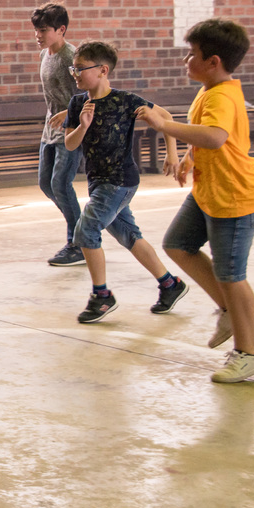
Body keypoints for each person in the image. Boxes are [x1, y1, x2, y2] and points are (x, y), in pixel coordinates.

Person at [135, 19, 254, 383]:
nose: (186, 60)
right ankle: (228, 310)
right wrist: (188, 159)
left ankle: (248, 353)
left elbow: (215, 136)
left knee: (231, 275)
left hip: (235, 198)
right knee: (178, 244)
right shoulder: (210, 90)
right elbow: (207, 138)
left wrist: (163, 126)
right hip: (209, 191)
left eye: (191, 54)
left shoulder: (222, 95)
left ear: (213, 61)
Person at [63, 41, 187, 324]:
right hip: (97, 182)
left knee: (87, 229)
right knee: (128, 236)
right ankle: (170, 284)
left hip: (120, 180)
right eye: (73, 69)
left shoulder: (125, 101)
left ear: (103, 70)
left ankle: (102, 296)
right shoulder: (77, 104)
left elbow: (165, 117)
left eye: (81, 68)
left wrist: (172, 153)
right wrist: (83, 125)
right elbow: (70, 144)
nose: (75, 74)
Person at [31, 3, 84, 266]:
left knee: (61, 184)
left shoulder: (71, 59)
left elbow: (88, 95)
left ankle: (79, 244)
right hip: (49, 130)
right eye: (36, 30)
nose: (38, 35)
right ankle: (83, 227)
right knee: (46, 184)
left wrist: (69, 114)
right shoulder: (45, 55)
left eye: (43, 30)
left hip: (71, 130)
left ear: (61, 29)